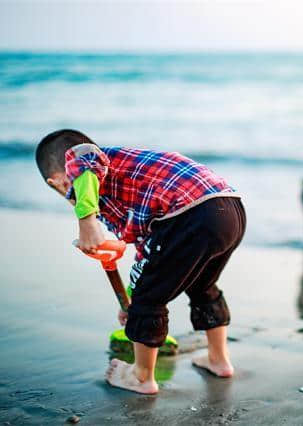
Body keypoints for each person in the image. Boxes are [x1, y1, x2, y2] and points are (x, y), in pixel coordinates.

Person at [35, 129, 246, 394]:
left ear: (58, 182)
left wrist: (86, 221)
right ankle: (219, 360)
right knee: (202, 285)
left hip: (189, 216)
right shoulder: (123, 186)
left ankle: (141, 377)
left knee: (150, 301)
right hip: (229, 211)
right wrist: (133, 296)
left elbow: (83, 156)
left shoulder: (86, 161)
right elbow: (150, 249)